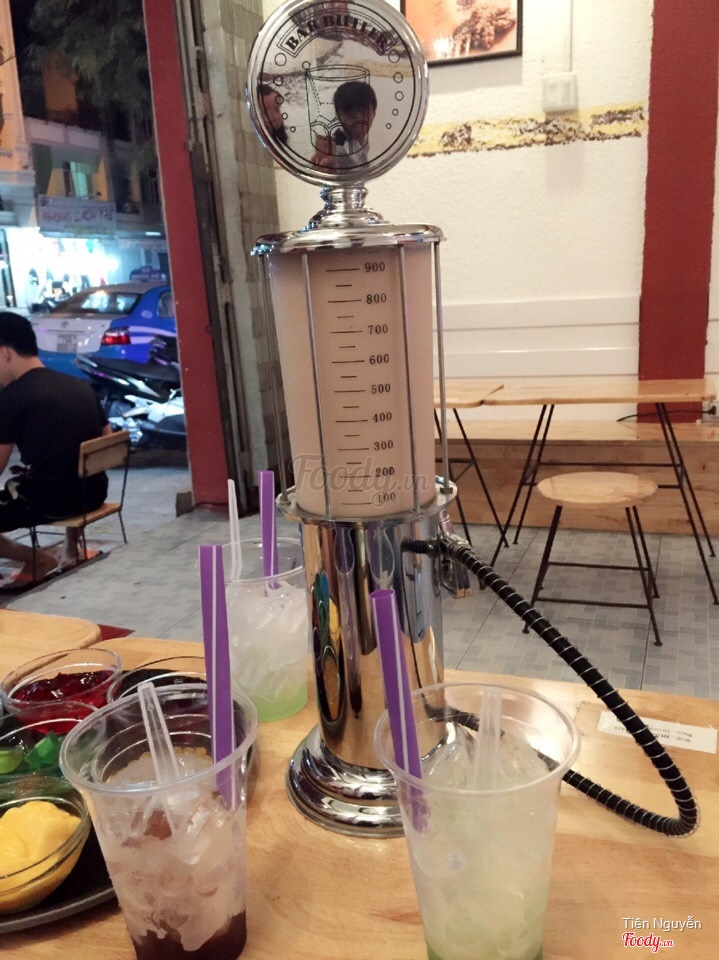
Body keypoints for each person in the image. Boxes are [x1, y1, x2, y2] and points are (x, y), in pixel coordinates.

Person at [0, 312, 112, 587]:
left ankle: (38, 559)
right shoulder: (78, 385)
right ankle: (71, 550)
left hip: (50, 504)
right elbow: (106, 439)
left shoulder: (11, 397)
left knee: (41, 483)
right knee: (65, 472)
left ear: (5, 353)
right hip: (93, 493)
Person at [311, 80, 377, 169]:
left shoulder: (363, 141)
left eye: (365, 113)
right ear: (339, 117)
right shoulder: (337, 150)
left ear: (374, 113)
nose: (360, 121)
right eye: (351, 116)